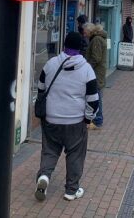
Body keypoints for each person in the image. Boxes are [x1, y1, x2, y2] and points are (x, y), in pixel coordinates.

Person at [35, 32, 99, 202]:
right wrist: (88, 118)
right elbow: (93, 100)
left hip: (50, 118)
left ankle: (44, 177)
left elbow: (40, 88)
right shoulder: (86, 69)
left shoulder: (50, 64)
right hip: (75, 120)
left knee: (49, 151)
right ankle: (71, 190)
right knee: (75, 154)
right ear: (80, 48)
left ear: (64, 45)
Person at [84, 23, 107, 130]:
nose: (84, 35)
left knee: (97, 95)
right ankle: (96, 118)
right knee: (97, 94)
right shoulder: (97, 38)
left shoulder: (96, 40)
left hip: (96, 73)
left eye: (85, 32)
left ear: (89, 31)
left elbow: (96, 58)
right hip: (97, 72)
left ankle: (98, 119)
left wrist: (86, 68)